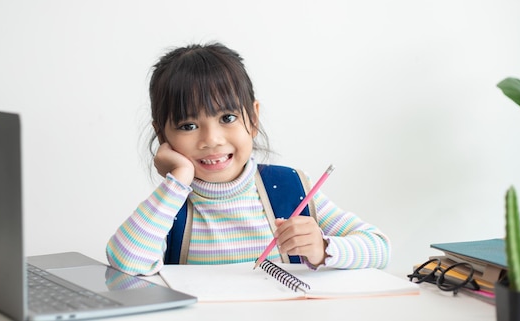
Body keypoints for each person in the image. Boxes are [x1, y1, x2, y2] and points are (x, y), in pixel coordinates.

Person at [106, 42, 390, 276]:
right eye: (188, 126)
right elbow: (125, 262)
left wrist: (322, 249)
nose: (212, 139)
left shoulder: (287, 188)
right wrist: (178, 179)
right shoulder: (169, 205)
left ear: (252, 119)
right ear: (162, 133)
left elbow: (379, 248)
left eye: (227, 118)